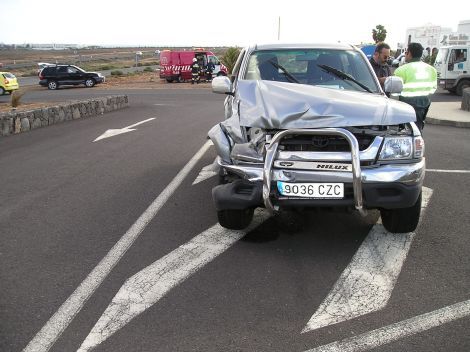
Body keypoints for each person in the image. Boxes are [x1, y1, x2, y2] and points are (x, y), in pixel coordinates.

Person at [394, 42, 437, 131]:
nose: (405, 55)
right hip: (425, 102)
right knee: (419, 127)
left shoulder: (401, 70)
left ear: (409, 53)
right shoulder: (432, 70)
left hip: (407, 104)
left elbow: (394, 91)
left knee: (407, 130)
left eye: (406, 52)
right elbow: (433, 88)